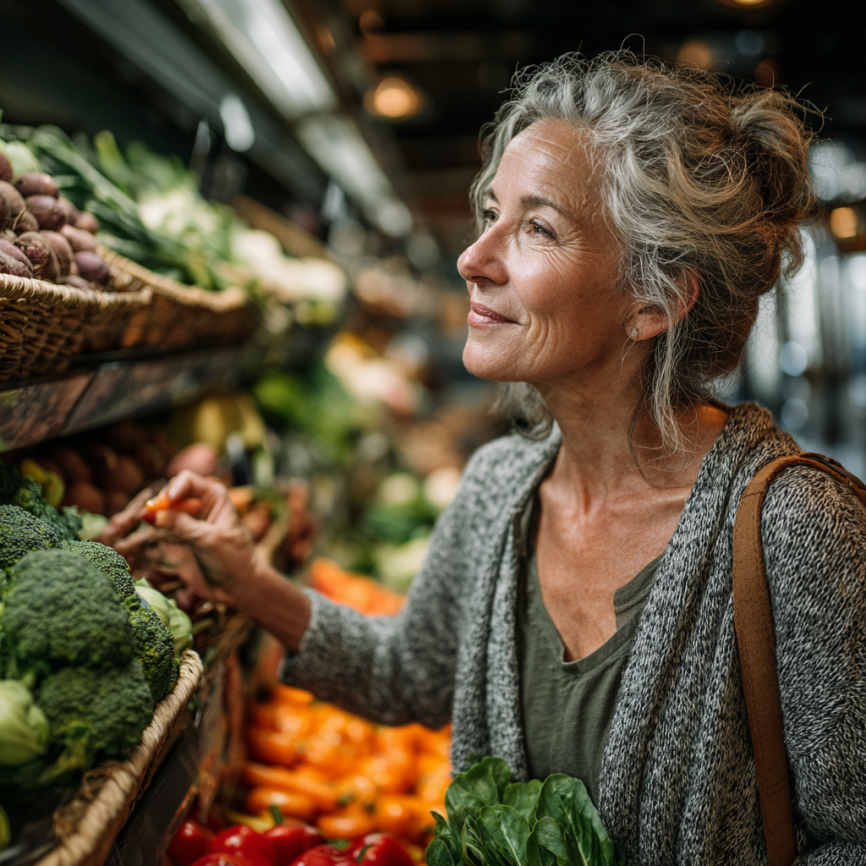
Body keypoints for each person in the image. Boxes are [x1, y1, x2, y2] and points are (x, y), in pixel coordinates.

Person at [103, 53, 866, 864]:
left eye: (536, 227)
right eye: (491, 212)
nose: (473, 257)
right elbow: (410, 672)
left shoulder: (798, 529)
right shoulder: (499, 488)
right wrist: (249, 581)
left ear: (656, 299)